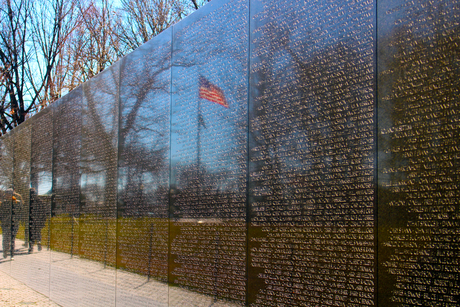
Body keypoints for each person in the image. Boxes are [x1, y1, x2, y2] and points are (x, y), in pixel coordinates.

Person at [28, 188, 46, 253]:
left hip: (32, 220)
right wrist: (43, 221)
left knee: (31, 233)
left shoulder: (29, 202)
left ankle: (31, 246)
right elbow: (44, 213)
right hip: (38, 220)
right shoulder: (41, 201)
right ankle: (38, 241)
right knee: (38, 232)